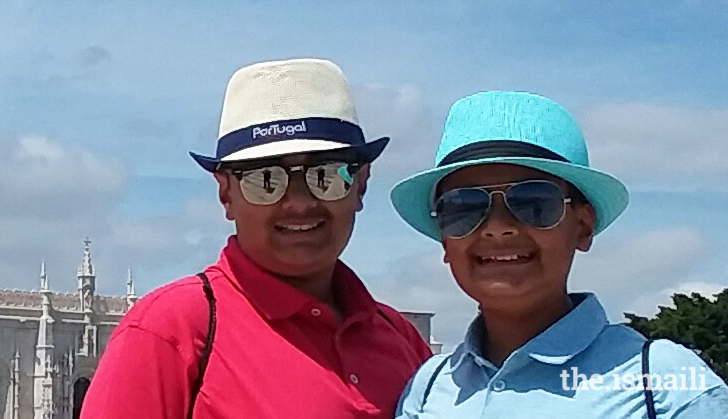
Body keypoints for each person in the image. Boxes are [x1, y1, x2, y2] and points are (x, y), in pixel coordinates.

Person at [81, 58, 433, 418]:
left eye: (325, 175)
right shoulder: (171, 331)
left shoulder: (401, 340)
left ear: (360, 185)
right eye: (265, 181)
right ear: (226, 194)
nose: (299, 203)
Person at [390, 91, 728, 418]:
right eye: (463, 208)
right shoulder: (429, 388)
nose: (497, 228)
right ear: (445, 241)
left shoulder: (666, 384)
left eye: (533, 202)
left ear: (582, 227)